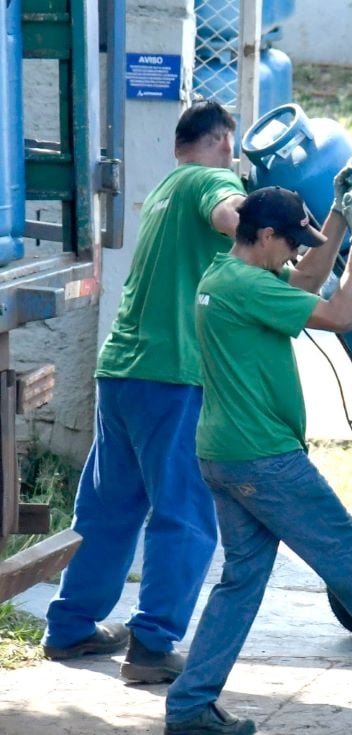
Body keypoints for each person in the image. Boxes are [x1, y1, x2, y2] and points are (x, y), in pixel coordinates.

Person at [163, 186, 352, 735]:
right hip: (263, 459)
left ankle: (189, 708)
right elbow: (341, 314)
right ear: (264, 236)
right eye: (291, 243)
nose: (296, 253)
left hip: (224, 454)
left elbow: (305, 281)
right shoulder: (248, 286)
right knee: (347, 555)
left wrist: (336, 216)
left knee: (240, 583)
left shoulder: (226, 274)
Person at [42, 101, 247, 683]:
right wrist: (262, 219)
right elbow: (229, 214)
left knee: (109, 508)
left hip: (122, 370)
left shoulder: (164, 189)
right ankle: (152, 646)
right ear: (223, 142)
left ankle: (71, 626)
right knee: (184, 511)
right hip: (172, 374)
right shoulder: (212, 180)